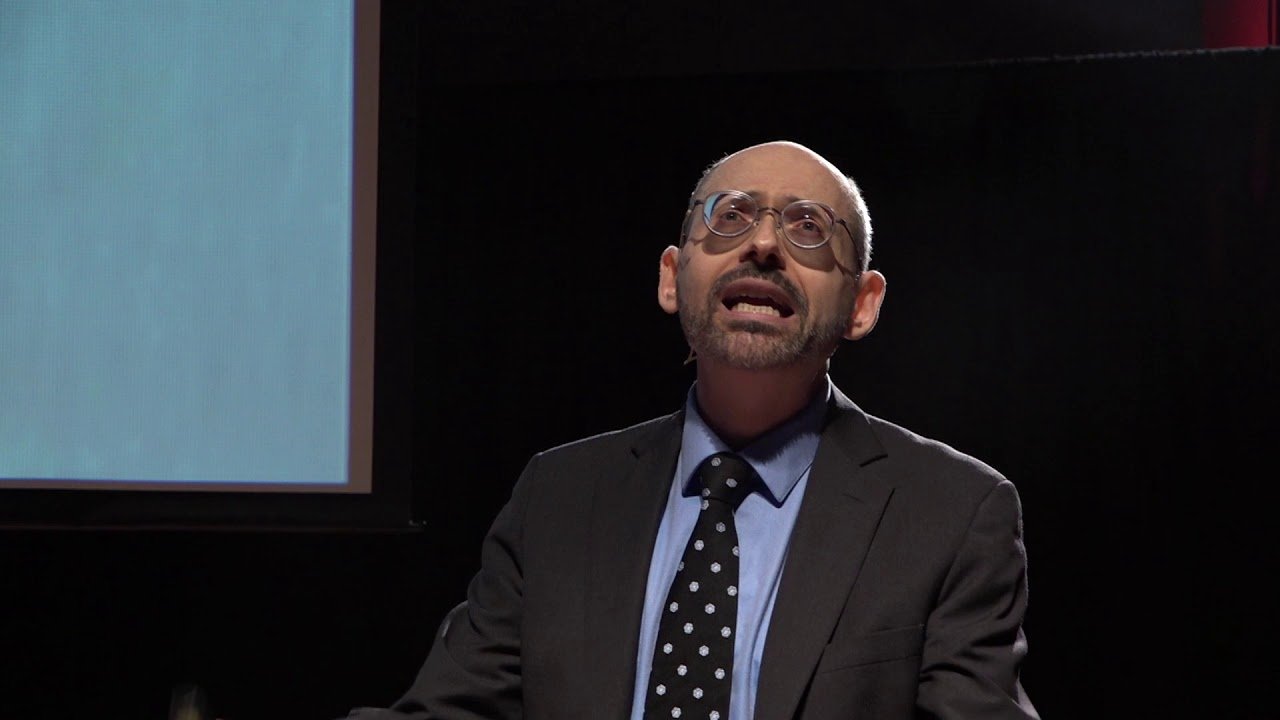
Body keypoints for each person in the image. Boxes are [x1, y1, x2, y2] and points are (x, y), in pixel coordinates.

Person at [349, 141, 1038, 719]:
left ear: (862, 304)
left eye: (808, 227)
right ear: (672, 278)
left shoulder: (952, 513)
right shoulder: (558, 494)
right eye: (730, 217)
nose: (762, 244)